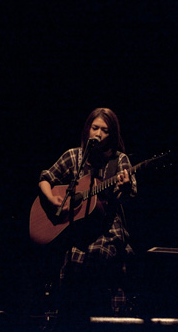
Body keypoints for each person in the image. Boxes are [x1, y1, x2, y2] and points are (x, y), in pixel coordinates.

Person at [38, 108, 137, 327]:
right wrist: (52, 199)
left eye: (105, 130)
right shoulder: (74, 156)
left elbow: (128, 196)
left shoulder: (119, 160)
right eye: (95, 128)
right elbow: (46, 177)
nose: (98, 134)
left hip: (107, 230)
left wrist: (125, 187)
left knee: (96, 257)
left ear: (112, 135)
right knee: (72, 264)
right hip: (78, 232)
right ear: (87, 129)